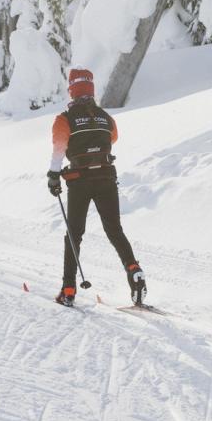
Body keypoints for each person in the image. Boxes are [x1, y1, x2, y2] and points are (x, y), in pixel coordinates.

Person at [48, 68, 146, 306]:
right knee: (114, 230)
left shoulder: (64, 119)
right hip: (106, 178)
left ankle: (69, 289)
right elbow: (113, 138)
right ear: (91, 89)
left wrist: (53, 174)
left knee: (74, 235)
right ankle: (134, 270)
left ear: (72, 90)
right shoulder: (105, 117)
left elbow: (59, 147)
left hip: (79, 180)